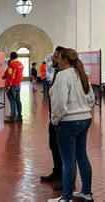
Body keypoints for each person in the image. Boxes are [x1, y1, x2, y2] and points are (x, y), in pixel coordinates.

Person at [48, 48, 95, 202]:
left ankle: (66, 198)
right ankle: (86, 193)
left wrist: (55, 120)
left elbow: (60, 103)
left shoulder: (62, 76)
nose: (58, 61)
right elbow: (91, 99)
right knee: (82, 156)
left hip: (67, 122)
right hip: (85, 119)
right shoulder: (81, 74)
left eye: (59, 58)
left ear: (65, 60)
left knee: (68, 161)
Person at [41, 46, 64, 184]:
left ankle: (66, 179)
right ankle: (57, 172)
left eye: (56, 56)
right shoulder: (57, 72)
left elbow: (61, 100)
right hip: (54, 118)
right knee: (54, 146)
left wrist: (56, 119)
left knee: (65, 151)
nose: (53, 58)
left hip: (61, 119)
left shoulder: (64, 74)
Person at [4, 52, 24, 123]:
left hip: (12, 85)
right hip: (18, 85)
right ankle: (19, 116)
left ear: (11, 57)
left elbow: (9, 75)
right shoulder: (20, 64)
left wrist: (7, 86)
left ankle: (13, 117)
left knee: (12, 101)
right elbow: (20, 75)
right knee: (18, 100)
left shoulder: (12, 64)